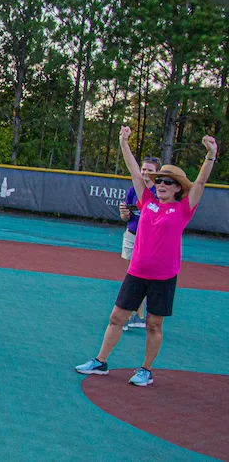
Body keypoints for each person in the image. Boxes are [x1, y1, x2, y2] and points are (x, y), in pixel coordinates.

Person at [75, 129, 217, 387]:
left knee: (153, 324)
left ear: (177, 189)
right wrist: (123, 142)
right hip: (137, 272)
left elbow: (200, 184)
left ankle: (146, 370)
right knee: (116, 317)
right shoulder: (147, 200)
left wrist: (210, 156)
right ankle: (100, 362)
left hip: (163, 277)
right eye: (159, 180)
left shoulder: (183, 209)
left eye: (167, 182)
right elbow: (132, 170)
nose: (161, 184)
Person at [118, 156, 161, 330]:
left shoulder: (160, 192)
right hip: (132, 235)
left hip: (150, 241)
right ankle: (135, 315)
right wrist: (124, 213)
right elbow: (126, 217)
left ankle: (135, 316)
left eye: (150, 170)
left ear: (156, 173)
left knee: (142, 279)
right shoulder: (132, 190)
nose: (145, 172)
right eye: (143, 169)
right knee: (131, 275)